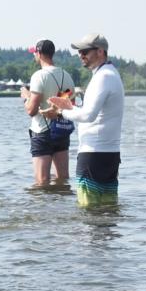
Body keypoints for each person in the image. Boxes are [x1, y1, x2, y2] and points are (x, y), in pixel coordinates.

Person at [44, 33, 125, 206]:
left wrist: (61, 112)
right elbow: (91, 112)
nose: (81, 55)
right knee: (107, 210)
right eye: (79, 52)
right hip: (108, 153)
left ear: (101, 52)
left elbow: (88, 116)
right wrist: (69, 107)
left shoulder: (102, 77)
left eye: (85, 51)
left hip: (93, 154)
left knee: (88, 212)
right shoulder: (111, 73)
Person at [20, 39, 74, 186]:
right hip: (61, 130)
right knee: (63, 179)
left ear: (39, 53)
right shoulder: (66, 75)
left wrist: (26, 97)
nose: (34, 56)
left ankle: (43, 209)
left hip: (42, 132)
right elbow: (67, 105)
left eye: (34, 53)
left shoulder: (39, 76)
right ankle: (61, 208)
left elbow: (31, 110)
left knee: (41, 182)